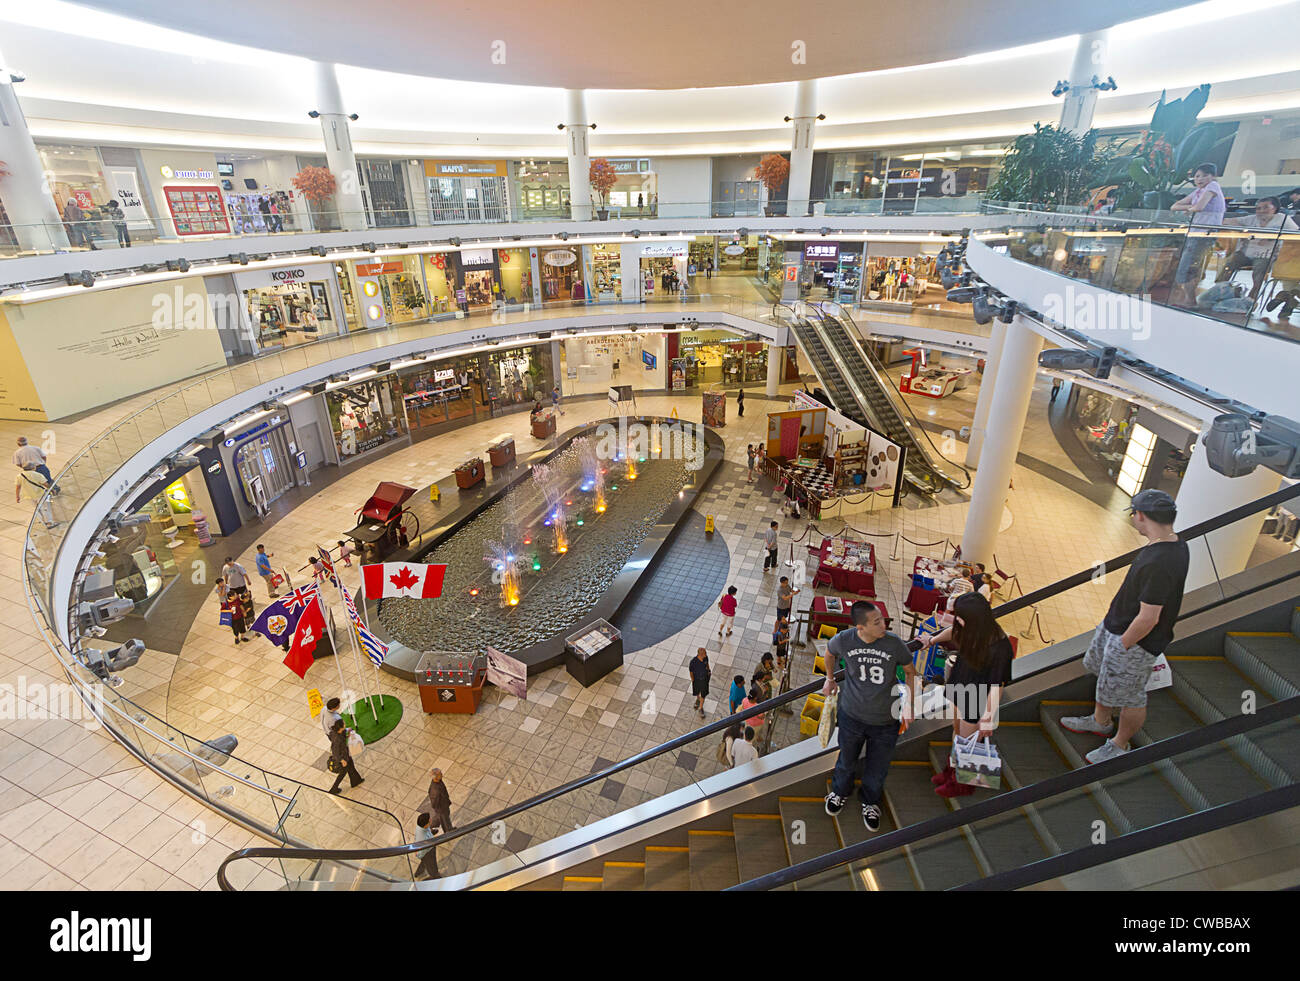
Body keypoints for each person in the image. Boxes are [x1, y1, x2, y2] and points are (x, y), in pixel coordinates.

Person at [1061, 489, 1189, 764]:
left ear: (1140, 516)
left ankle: (1120, 743)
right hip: (1117, 626)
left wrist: (1123, 644)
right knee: (1105, 677)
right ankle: (1100, 720)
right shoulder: (1171, 543)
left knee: (1131, 695)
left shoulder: (1160, 561)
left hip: (1134, 640)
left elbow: (1149, 617)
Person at [822, 601, 918, 831]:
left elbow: (910, 672)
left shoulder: (894, 644)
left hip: (885, 720)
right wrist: (829, 677)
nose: (883, 625)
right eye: (876, 622)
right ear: (860, 627)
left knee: (878, 766)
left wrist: (910, 705)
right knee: (846, 759)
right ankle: (839, 791)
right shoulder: (845, 639)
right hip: (851, 714)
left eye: (882, 619)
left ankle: (870, 801)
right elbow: (829, 651)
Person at [919, 592, 1015, 797]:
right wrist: (932, 639)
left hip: (976, 698)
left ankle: (962, 783)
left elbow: (998, 684)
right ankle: (952, 771)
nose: (956, 619)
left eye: (960, 616)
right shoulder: (971, 629)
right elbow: (953, 633)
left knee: (967, 741)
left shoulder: (1000, 647)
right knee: (957, 733)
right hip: (959, 686)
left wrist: (988, 717)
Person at [1218, 196, 1299, 299]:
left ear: (1275, 208)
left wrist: (1271, 237)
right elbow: (1227, 221)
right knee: (1227, 266)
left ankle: (1251, 300)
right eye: (1258, 208)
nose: (1261, 211)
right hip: (1245, 254)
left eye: (1265, 207)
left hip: (1266, 255)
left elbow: (1295, 234)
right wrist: (1241, 230)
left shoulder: (1283, 219)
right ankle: (1220, 292)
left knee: (1259, 272)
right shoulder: (1252, 218)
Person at [1168, 163, 1226, 306]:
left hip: (1204, 233)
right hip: (1195, 232)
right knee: (1190, 266)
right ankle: (1190, 298)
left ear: (1213, 177)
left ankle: (1190, 300)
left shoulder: (1213, 186)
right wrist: (1191, 207)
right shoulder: (1198, 192)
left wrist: (1192, 208)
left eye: (1205, 175)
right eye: (1197, 176)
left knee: (1187, 267)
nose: (1200, 179)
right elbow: (1174, 206)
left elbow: (1200, 207)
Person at [327, 719, 364, 794]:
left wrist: (349, 731)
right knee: (343, 773)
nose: (345, 723)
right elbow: (335, 753)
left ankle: (356, 781)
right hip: (343, 758)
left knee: (351, 767)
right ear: (340, 728)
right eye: (343, 723)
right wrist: (342, 760)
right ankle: (334, 789)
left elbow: (344, 733)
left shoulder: (335, 732)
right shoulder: (337, 739)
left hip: (345, 754)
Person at [414, 812, 441, 879]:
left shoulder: (421, 827)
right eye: (429, 819)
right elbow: (422, 852)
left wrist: (431, 833)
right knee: (432, 866)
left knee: (425, 862)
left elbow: (427, 831)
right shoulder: (423, 838)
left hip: (427, 851)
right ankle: (435, 876)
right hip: (428, 852)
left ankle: (419, 872)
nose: (431, 819)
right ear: (426, 824)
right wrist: (419, 855)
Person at [426, 768, 453, 833]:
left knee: (439, 818)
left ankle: (428, 829)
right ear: (436, 777)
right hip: (441, 808)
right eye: (440, 774)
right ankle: (449, 831)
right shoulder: (435, 790)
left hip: (444, 805)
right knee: (444, 820)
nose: (442, 775)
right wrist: (440, 809)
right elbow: (434, 803)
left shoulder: (439, 781)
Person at [689, 647, 711, 717]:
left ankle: (701, 708)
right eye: (705, 653)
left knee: (703, 694)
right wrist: (693, 680)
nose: (706, 654)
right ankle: (698, 699)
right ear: (700, 654)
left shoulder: (705, 658)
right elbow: (691, 672)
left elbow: (707, 664)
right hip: (697, 680)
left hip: (704, 679)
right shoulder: (693, 662)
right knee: (697, 691)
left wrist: (709, 670)